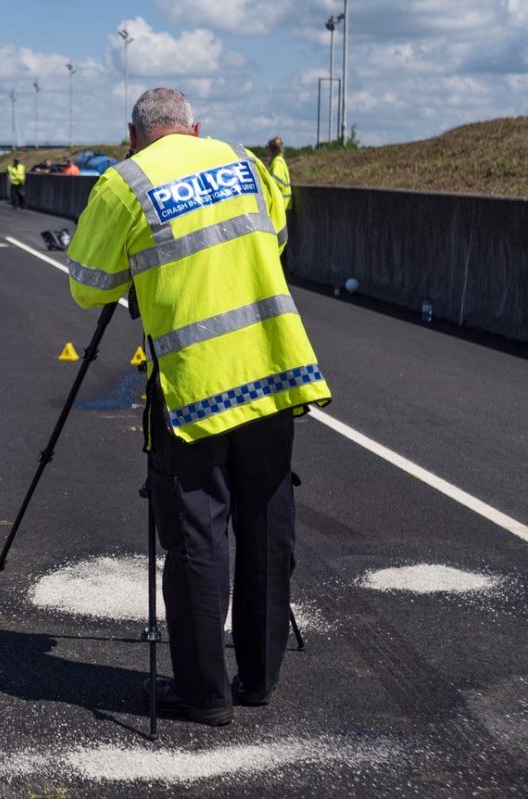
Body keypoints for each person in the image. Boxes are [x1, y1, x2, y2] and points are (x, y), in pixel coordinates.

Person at [66, 88, 330, 726]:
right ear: (195, 128)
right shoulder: (245, 161)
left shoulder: (124, 183)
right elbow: (278, 233)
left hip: (192, 388)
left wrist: (141, 270)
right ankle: (260, 678)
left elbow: (87, 288)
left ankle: (205, 694)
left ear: (134, 136)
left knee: (196, 535)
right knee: (266, 523)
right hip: (274, 368)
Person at [267, 136, 292, 209]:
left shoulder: (277, 162)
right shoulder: (279, 160)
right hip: (284, 203)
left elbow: (275, 181)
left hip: (282, 204)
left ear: (271, 149)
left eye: (267, 147)